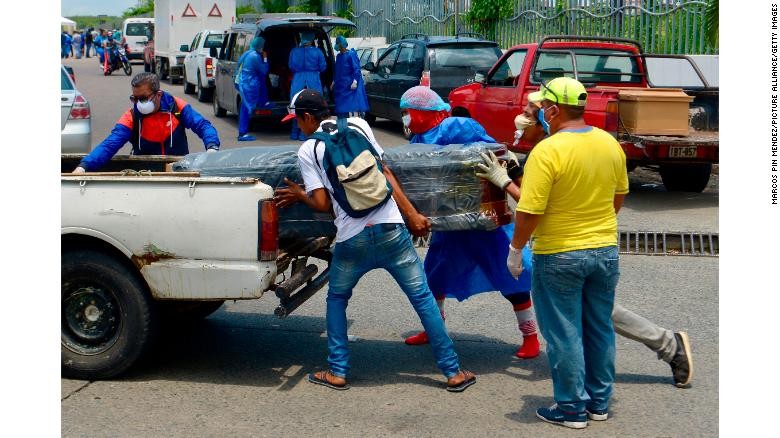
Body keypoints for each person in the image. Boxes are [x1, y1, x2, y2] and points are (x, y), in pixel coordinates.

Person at [481, 98, 694, 388]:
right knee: (597, 312)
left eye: (529, 114)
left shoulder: (552, 151)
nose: (521, 120)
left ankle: (576, 399)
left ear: (548, 117)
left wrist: (504, 185)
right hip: (594, 243)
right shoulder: (573, 144)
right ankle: (661, 349)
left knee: (585, 317)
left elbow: (535, 206)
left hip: (566, 247)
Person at [274, 89, 476, 392]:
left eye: (297, 121)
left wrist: (299, 195)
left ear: (306, 117)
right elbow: (385, 172)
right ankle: (453, 372)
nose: (297, 127)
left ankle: (338, 371)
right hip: (391, 230)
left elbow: (322, 204)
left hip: (352, 239)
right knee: (422, 299)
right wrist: (411, 216)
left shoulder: (308, 150)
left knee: (337, 300)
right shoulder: (359, 125)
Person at [506, 77, 627, 429]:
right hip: (604, 250)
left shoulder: (548, 150)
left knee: (564, 333)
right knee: (599, 328)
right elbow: (617, 199)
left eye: (541, 107)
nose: (537, 113)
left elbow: (530, 211)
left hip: (559, 254)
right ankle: (599, 403)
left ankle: (572, 408)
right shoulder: (609, 144)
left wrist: (515, 250)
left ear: (555, 110)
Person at [398, 86, 540, 359]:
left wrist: (507, 173)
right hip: (449, 223)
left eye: (408, 112)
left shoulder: (454, 126)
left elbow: (492, 150)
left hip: (483, 218)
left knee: (512, 278)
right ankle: (434, 329)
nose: (405, 118)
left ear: (423, 111)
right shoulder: (418, 137)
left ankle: (530, 337)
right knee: (434, 276)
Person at [72, 73, 220, 173]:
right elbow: (110, 144)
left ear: (158, 95)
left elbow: (203, 126)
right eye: (134, 98)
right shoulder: (131, 116)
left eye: (143, 98)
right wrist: (83, 167)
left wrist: (212, 148)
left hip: (179, 170)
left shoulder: (177, 107)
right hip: (144, 173)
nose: (138, 103)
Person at [288, 32, 326, 141]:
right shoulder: (317, 52)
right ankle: (305, 134)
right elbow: (323, 67)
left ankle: (294, 133)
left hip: (298, 79)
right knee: (313, 105)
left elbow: (291, 66)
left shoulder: (294, 51)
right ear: (311, 39)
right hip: (313, 79)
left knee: (296, 105)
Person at [235, 36, 270, 142]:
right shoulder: (255, 56)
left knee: (245, 107)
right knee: (246, 108)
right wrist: (265, 58)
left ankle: (243, 132)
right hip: (248, 84)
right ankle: (242, 133)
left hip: (243, 82)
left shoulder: (247, 53)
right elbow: (264, 71)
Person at [332, 35, 369, 118]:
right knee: (341, 109)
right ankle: (342, 125)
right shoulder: (338, 57)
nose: (336, 46)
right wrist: (334, 81)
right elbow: (338, 71)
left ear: (342, 45)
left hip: (349, 87)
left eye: (338, 43)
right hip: (340, 87)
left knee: (351, 108)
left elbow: (356, 70)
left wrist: (355, 82)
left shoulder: (351, 55)